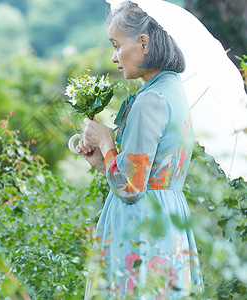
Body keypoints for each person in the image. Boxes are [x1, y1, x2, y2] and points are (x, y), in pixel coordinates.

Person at [76, 1, 204, 298]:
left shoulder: (150, 100)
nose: (113, 57)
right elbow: (154, 171)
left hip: (141, 225)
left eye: (117, 46)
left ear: (143, 42)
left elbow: (132, 188)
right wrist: (101, 161)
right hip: (168, 219)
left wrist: (107, 141)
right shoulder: (172, 90)